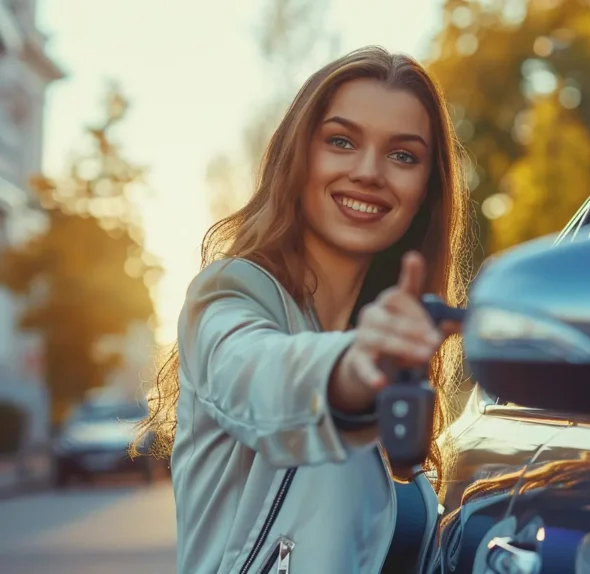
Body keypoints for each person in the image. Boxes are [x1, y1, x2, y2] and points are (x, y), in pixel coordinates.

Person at [134, 46, 471, 573]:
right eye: (341, 141)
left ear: (426, 188)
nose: (368, 172)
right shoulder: (227, 295)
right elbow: (254, 371)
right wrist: (353, 368)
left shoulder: (394, 339)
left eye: (402, 155)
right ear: (299, 156)